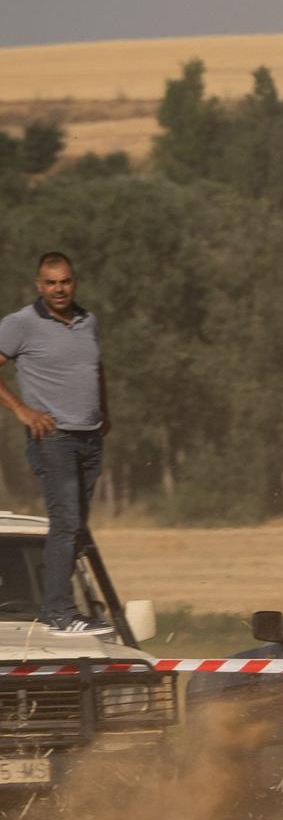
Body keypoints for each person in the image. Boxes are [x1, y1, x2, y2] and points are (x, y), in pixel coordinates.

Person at [0, 252, 113, 635]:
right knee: (64, 522)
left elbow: (95, 370)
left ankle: (65, 607)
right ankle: (59, 613)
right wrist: (21, 410)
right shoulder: (20, 325)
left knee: (76, 526)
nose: (59, 289)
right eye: (51, 282)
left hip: (90, 437)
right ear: (39, 285)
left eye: (65, 281)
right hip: (53, 438)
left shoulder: (88, 321)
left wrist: (105, 413)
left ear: (74, 282)